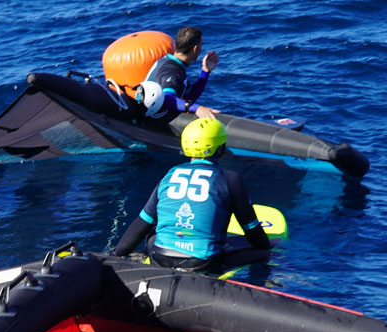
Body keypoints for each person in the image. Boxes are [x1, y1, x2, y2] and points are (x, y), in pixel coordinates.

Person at [112, 117, 272, 273]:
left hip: (159, 258)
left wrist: (117, 255)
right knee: (265, 253)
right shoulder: (230, 179)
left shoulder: (170, 174)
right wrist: (267, 247)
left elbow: (142, 223)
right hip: (201, 263)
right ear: (220, 148)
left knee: (154, 230)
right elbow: (250, 228)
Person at [135, 26, 221, 119]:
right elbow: (166, 98)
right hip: (148, 119)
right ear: (195, 49)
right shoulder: (172, 69)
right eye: (201, 46)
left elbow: (190, 96)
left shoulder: (175, 64)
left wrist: (205, 71)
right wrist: (197, 108)